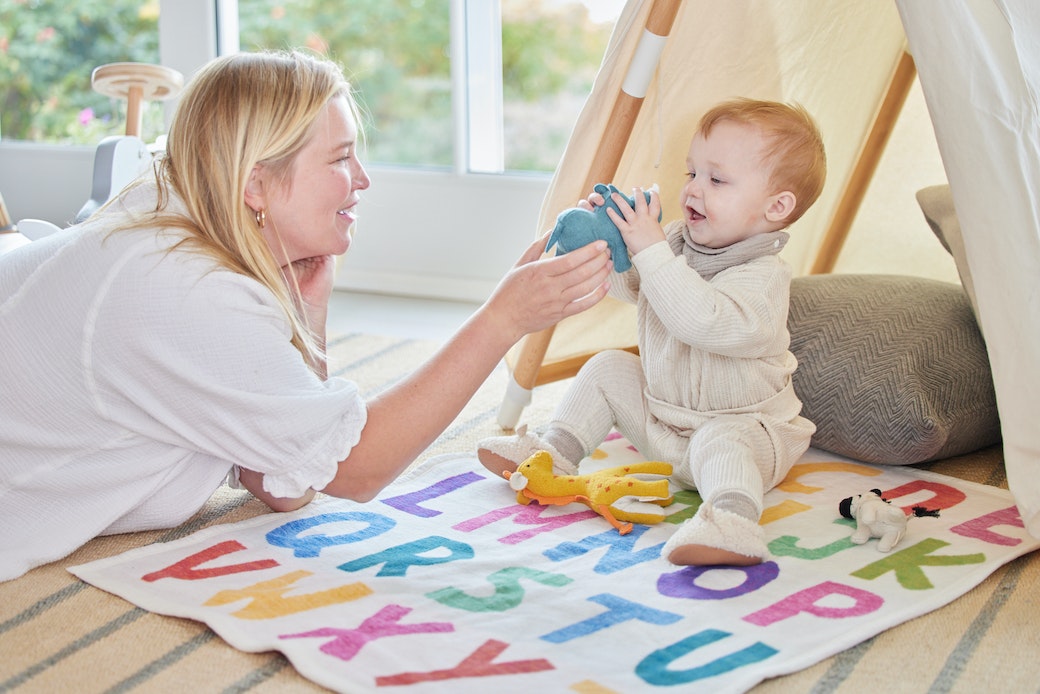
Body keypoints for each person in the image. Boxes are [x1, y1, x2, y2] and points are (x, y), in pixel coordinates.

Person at [0, 50, 613, 582]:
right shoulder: (189, 293)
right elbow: (355, 468)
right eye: (341, 158)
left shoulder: (184, 212)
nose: (363, 179)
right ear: (255, 185)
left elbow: (285, 480)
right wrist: (503, 320)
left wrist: (306, 319)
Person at [478, 98, 827, 567]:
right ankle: (554, 453)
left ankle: (732, 522)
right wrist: (609, 242)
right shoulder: (680, 240)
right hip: (666, 424)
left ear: (776, 206)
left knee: (723, 441)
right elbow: (638, 286)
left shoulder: (763, 277)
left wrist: (651, 250)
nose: (694, 190)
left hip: (747, 432)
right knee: (608, 366)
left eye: (717, 179)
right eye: (691, 174)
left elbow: (699, 317)